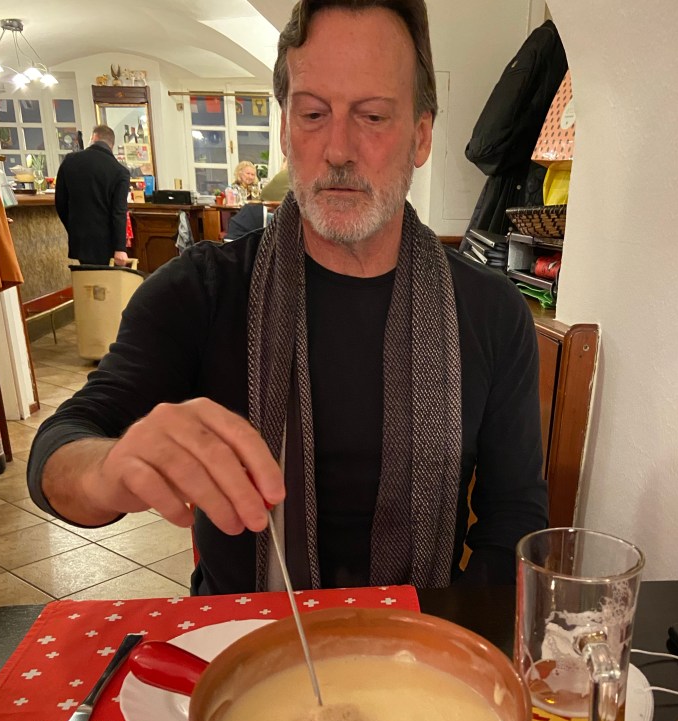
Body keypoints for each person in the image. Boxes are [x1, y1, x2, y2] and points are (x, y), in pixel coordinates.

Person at [27, 0, 548, 597]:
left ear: (421, 135)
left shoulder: (491, 313)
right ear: (284, 129)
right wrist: (107, 471)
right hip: (240, 636)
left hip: (418, 642)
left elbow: (514, 521)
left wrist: (444, 637)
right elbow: (57, 449)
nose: (338, 149)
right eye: (313, 114)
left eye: (373, 116)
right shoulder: (200, 291)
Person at [54, 125, 131, 266]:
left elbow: (60, 202)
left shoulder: (70, 161)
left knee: (85, 277)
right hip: (106, 242)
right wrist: (120, 247)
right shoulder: (120, 171)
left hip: (79, 239)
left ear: (93, 138)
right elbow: (119, 211)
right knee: (106, 279)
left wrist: (73, 228)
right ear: (112, 145)